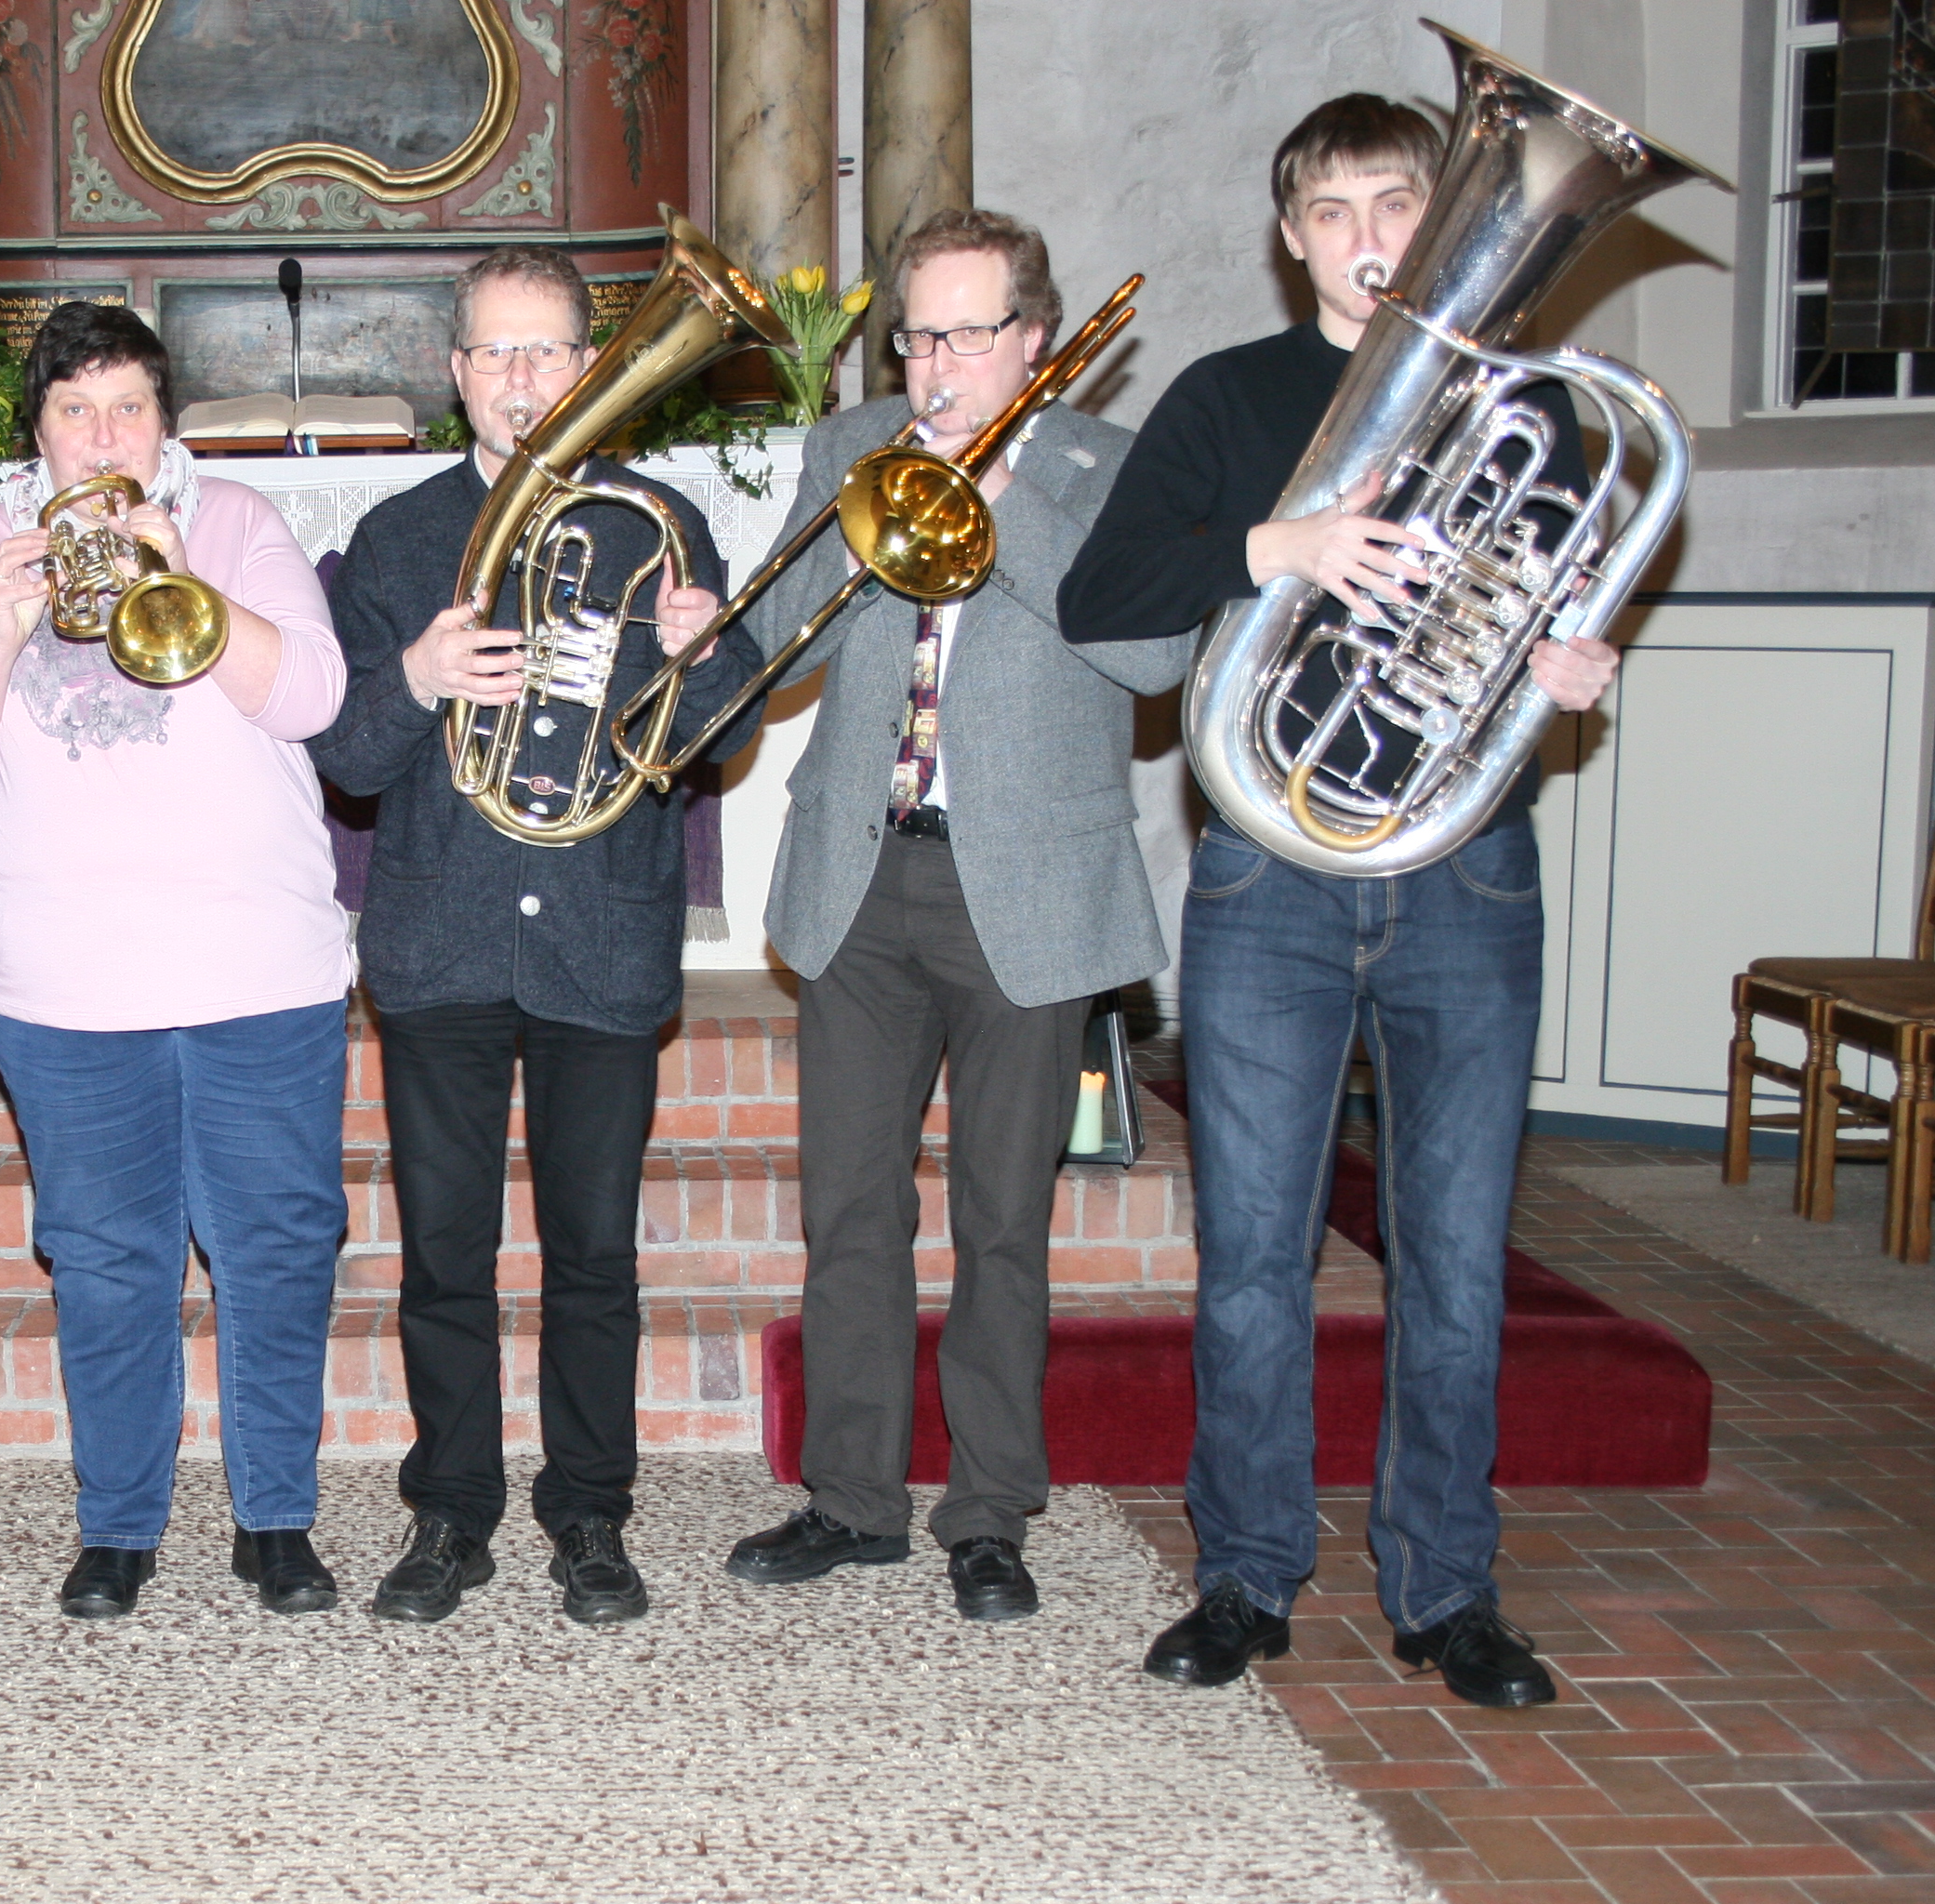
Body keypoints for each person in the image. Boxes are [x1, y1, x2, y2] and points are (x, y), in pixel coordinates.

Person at [1057, 96, 1621, 1708]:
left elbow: (1544, 615)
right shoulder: (1229, 398)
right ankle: (1246, 1574)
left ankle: (1448, 1590)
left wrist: (1572, 666)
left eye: (1395, 204)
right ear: (1291, 236)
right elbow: (1103, 595)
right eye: (1333, 211)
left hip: (1466, 867)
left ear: (1441, 220)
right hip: (1270, 877)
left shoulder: (1528, 406)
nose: (1367, 238)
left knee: (1456, 1254)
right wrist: (1277, 546)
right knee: (1253, 1254)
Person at [719, 210, 1194, 1622]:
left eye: (967, 335)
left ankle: (989, 1514)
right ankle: (852, 1500)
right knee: (850, 1209)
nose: (934, 364)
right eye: (917, 335)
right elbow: (775, 641)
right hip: (863, 878)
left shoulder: (1112, 469)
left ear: (1034, 342)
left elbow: (1153, 652)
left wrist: (998, 504)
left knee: (1003, 1221)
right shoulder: (853, 445)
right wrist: (830, 543)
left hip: (1027, 890)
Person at [317, 244, 759, 1626]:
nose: (522, 379)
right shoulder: (397, 538)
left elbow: (714, 739)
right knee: (445, 1258)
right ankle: (451, 1514)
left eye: (548, 350)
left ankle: (591, 1514)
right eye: (496, 352)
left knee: (594, 1257)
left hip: (599, 939)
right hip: (442, 942)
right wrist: (417, 677)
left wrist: (704, 654)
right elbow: (347, 756)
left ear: (589, 366)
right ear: (458, 374)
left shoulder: (660, 524)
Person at [0, 302, 351, 1620]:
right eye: (76, 410)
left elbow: (316, 698)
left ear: (165, 425)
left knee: (276, 1248)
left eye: (130, 409)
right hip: (63, 980)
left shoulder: (239, 525)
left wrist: (185, 579)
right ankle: (118, 1526)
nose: (104, 437)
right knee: (106, 1263)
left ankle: (277, 1518)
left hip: (255, 964)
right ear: (39, 432)